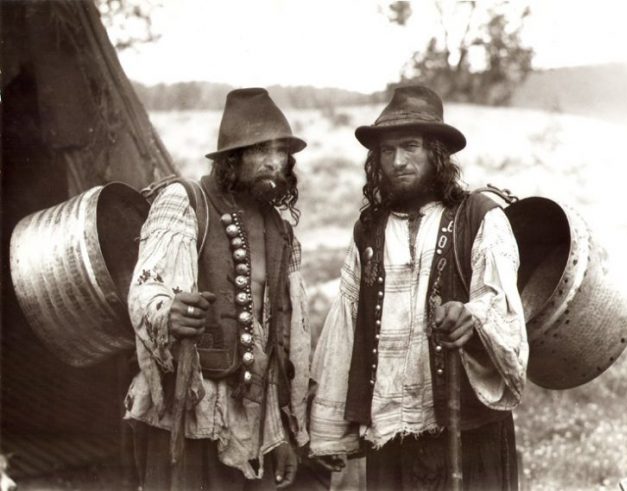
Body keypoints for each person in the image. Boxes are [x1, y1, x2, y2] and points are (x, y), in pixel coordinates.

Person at [308, 85, 529, 490]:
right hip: (392, 438)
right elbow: (346, 325)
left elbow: (502, 307)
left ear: (436, 153)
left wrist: (471, 317)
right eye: (387, 151)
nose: (397, 161)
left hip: (469, 433)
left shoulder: (480, 217)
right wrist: (330, 428)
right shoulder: (369, 230)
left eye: (410, 147)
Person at [124, 88, 311, 490]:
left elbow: (280, 341)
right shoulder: (184, 201)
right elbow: (146, 288)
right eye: (259, 149)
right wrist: (168, 313)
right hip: (187, 413)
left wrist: (281, 434)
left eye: (280, 151)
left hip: (252, 423)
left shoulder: (281, 231)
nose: (273, 161)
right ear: (232, 158)